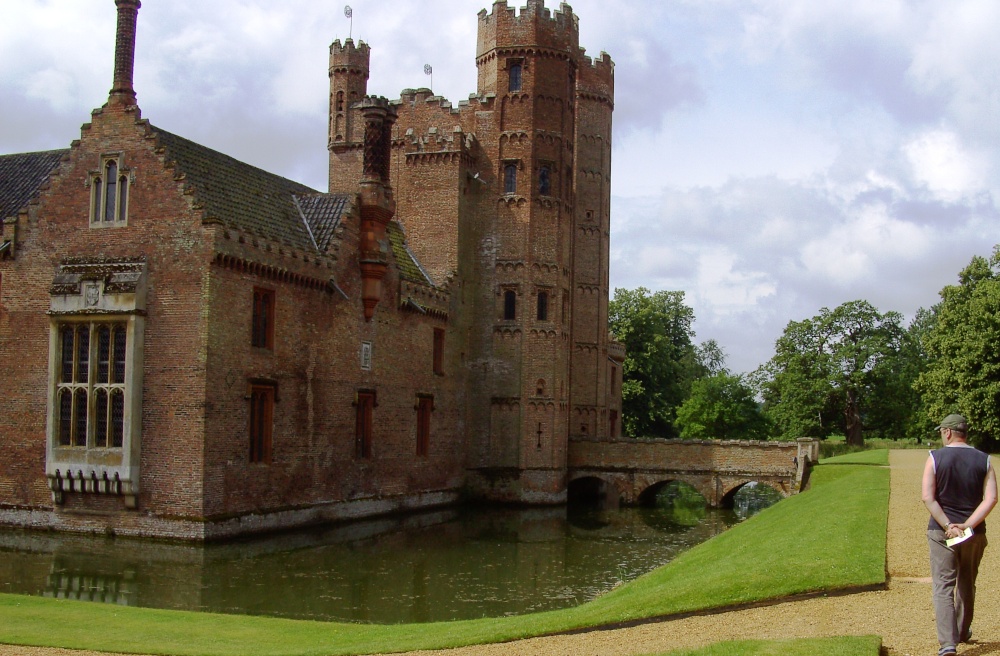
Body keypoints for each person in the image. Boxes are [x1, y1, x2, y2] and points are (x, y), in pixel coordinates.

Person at [921, 414, 997, 656]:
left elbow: (928, 497)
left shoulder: (934, 457)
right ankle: (962, 631)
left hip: (941, 531)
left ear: (948, 432)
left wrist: (947, 525)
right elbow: (991, 499)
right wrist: (967, 525)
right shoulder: (985, 459)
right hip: (974, 533)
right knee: (967, 582)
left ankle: (948, 644)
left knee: (943, 585)